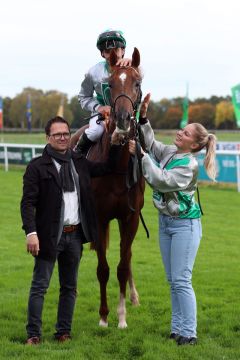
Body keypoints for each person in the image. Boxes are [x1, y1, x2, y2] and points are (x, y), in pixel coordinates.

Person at [21, 116, 120, 345]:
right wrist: (31, 232)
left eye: (65, 133)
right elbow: (27, 204)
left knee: (69, 287)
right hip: (48, 236)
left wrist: (114, 143)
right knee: (40, 287)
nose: (63, 138)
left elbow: (108, 167)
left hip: (75, 236)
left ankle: (63, 332)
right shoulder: (37, 167)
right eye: (57, 134)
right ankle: (33, 334)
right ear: (48, 138)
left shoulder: (78, 161)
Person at [128, 94, 217, 346]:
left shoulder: (188, 164)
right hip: (166, 224)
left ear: (195, 145)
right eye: (182, 129)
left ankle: (189, 333)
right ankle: (177, 329)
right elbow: (151, 143)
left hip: (184, 227)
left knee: (181, 280)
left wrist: (142, 156)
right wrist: (143, 117)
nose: (180, 133)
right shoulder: (170, 152)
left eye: (186, 133)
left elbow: (161, 180)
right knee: (173, 280)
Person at [77, 29, 131, 155]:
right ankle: (76, 156)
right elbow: (83, 97)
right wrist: (99, 107)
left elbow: (141, 73)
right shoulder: (93, 72)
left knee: (144, 133)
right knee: (94, 132)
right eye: (107, 51)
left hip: (129, 114)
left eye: (117, 49)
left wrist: (133, 64)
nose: (113, 54)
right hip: (102, 115)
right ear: (102, 54)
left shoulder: (132, 67)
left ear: (123, 50)